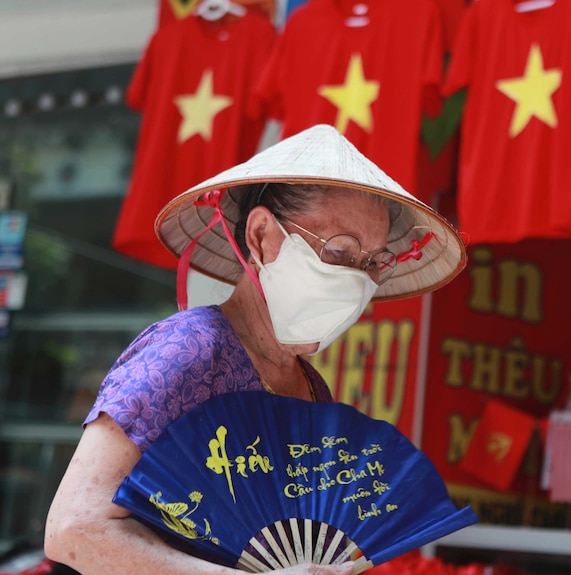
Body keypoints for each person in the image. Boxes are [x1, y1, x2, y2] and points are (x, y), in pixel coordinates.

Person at [44, 124, 466, 575]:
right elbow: (74, 529)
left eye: (373, 263)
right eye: (341, 253)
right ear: (263, 235)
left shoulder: (311, 388)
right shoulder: (188, 351)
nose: (359, 281)